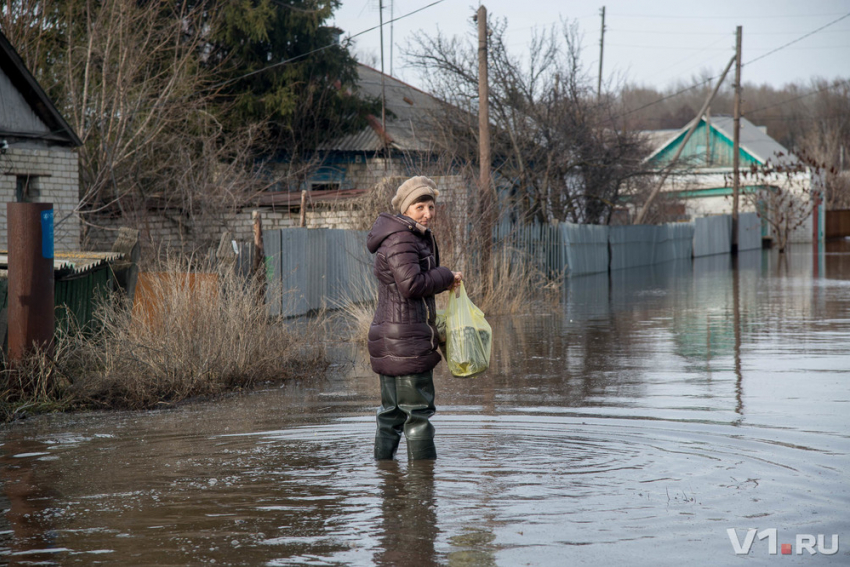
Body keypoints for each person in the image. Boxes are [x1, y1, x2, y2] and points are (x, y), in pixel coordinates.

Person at [366, 176, 462, 461]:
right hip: (406, 340)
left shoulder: (401, 236)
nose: (427, 214)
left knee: (392, 414)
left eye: (431, 206)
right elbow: (411, 285)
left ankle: (386, 478)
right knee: (417, 415)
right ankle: (423, 491)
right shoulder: (403, 238)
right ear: (406, 208)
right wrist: (445, 276)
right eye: (420, 206)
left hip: (392, 338)